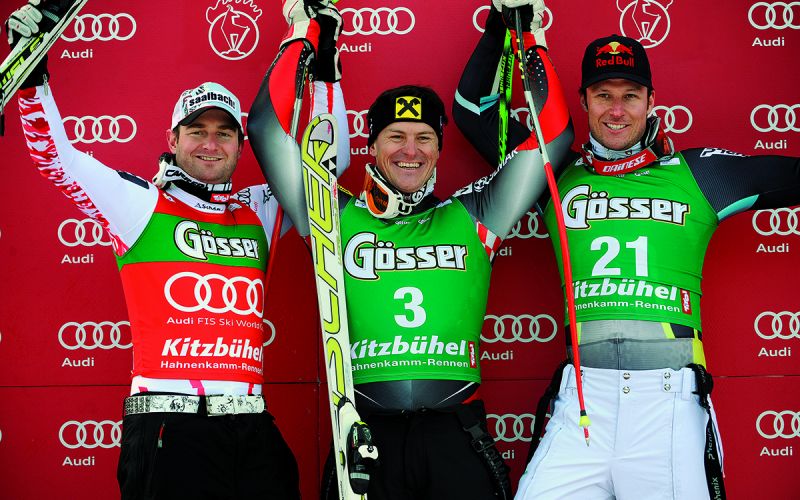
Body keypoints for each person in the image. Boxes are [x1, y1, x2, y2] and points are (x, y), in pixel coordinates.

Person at [453, 10, 800, 500]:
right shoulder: (555, 172)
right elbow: (471, 111)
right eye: (603, 96)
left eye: (630, 96)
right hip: (582, 405)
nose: (617, 111)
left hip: (669, 405)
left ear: (651, 101)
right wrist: (498, 26)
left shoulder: (696, 173)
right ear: (584, 102)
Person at [4, 0, 343, 497]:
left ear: (240, 145)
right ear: (173, 138)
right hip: (169, 429)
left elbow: (323, 170)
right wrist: (32, 71)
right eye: (197, 131)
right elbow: (57, 157)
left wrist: (325, 58)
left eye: (224, 133)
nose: (211, 144)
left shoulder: (260, 212)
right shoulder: (141, 204)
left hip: (251, 431)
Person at [248, 1, 573, 498]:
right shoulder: (331, 214)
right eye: (395, 136)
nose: (410, 149)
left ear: (440, 150)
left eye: (424, 137)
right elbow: (268, 130)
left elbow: (552, 141)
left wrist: (529, 35)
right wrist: (304, 32)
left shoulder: (475, 215)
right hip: (363, 437)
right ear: (372, 147)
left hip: (455, 435)